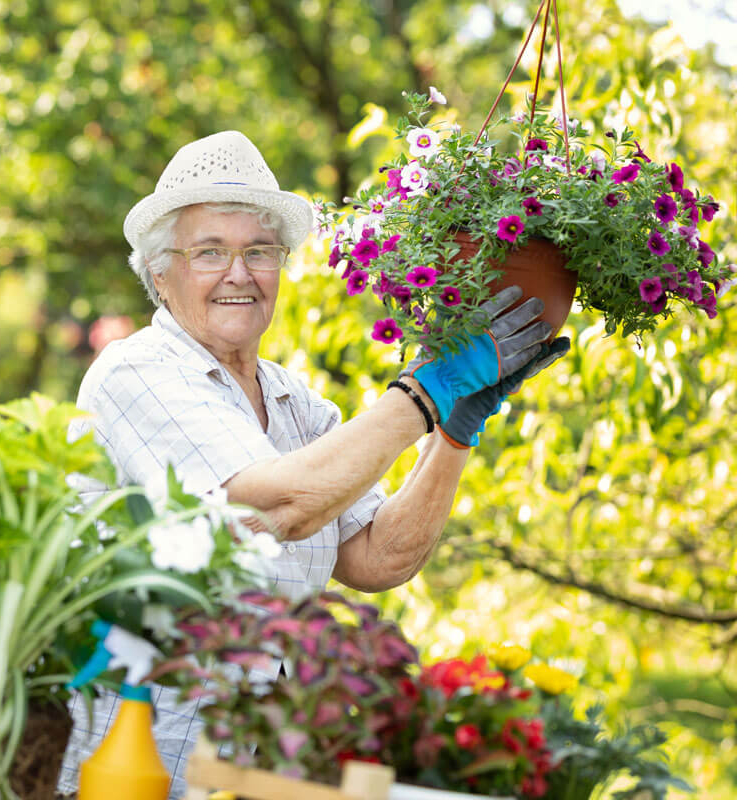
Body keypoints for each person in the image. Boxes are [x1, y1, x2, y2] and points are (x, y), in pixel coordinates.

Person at [57, 130, 567, 798]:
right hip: (129, 775)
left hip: (249, 773)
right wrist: (424, 393)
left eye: (259, 252)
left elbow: (377, 559)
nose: (238, 274)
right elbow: (273, 506)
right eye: (210, 252)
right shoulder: (137, 374)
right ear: (160, 274)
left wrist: (454, 428)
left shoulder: (299, 407)